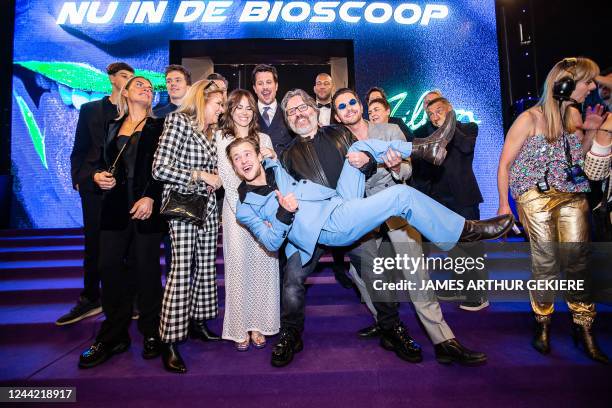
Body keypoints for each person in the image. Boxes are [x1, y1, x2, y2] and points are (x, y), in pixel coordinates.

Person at [264, 89, 513, 368]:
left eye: (303, 107)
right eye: (292, 112)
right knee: (295, 278)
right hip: (316, 224)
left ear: (315, 110)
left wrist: (372, 163)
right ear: (287, 120)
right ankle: (294, 333)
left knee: (390, 272)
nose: (299, 114)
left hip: (356, 210)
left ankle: (409, 333)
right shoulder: (286, 155)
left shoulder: (340, 135)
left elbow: (368, 166)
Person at [334, 88, 488, 363]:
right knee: (361, 272)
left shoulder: (390, 129)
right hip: (362, 214)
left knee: (416, 274)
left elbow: (407, 171)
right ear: (336, 114)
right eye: (341, 106)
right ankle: (386, 322)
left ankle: (444, 341)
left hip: (396, 206)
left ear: (360, 104)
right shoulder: (338, 142)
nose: (348, 108)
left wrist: (394, 168)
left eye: (352, 102)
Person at [497, 57, 608, 364]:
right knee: (545, 261)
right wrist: (505, 205)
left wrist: (590, 133)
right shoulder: (529, 119)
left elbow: (575, 161)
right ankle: (543, 322)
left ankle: (583, 327)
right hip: (534, 194)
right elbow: (505, 163)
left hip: (572, 194)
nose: (591, 89)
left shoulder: (574, 116)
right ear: (565, 84)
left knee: (578, 261)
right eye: (587, 83)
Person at [78, 76, 165, 368]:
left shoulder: (160, 126)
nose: (147, 90)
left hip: (147, 208)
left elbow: (164, 169)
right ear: (125, 92)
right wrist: (96, 177)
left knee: (147, 270)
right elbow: (97, 164)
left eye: (151, 89)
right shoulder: (110, 126)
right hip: (114, 207)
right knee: (109, 267)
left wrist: (151, 197)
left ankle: (152, 332)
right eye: (140, 86)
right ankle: (113, 335)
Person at [152, 79, 225, 373]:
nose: (222, 110)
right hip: (181, 204)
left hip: (207, 207)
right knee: (182, 268)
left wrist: (217, 174)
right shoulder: (178, 121)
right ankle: (167, 339)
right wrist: (200, 175)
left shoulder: (215, 133)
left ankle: (198, 321)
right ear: (202, 99)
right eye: (218, 104)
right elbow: (159, 168)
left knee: (206, 264)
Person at [62, 62, 134, 326]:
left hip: (123, 190)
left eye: (132, 77)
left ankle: (128, 298)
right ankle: (90, 297)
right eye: (125, 76)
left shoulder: (134, 113)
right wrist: (82, 179)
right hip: (93, 188)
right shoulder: (90, 110)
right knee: (93, 245)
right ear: (112, 79)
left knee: (127, 247)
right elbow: (79, 149)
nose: (129, 81)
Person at [215, 89, 280, 351]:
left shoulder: (263, 138)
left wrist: (267, 214)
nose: (244, 112)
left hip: (265, 213)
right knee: (239, 269)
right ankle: (240, 325)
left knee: (264, 267)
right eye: (238, 107)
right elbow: (230, 183)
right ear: (230, 110)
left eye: (249, 108)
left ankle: (260, 324)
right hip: (236, 214)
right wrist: (248, 215)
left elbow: (271, 177)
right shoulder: (221, 138)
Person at [422, 96, 487, 311]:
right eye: (431, 114)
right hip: (441, 199)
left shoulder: (468, 127)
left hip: (464, 197)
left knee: (471, 247)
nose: (434, 116)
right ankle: (459, 286)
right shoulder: (431, 134)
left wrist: (448, 124)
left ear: (450, 110)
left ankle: (478, 295)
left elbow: (466, 147)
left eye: (439, 110)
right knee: (451, 246)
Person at [251, 64, 293, 156]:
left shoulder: (289, 113)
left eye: (269, 82)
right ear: (254, 88)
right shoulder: (247, 115)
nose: (265, 87)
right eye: (260, 83)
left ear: (276, 86)